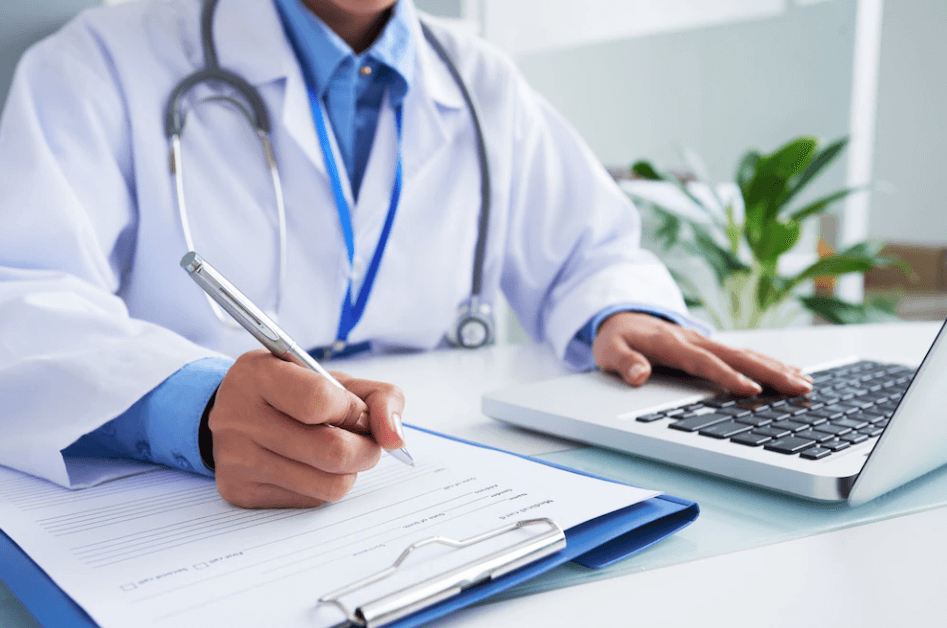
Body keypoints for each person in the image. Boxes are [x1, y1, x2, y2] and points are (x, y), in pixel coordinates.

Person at [0, 0, 811, 508]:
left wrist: (619, 309)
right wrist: (197, 410)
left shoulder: (483, 79)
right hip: (189, 510)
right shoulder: (98, 61)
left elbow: (588, 250)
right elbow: (20, 296)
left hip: (432, 487)